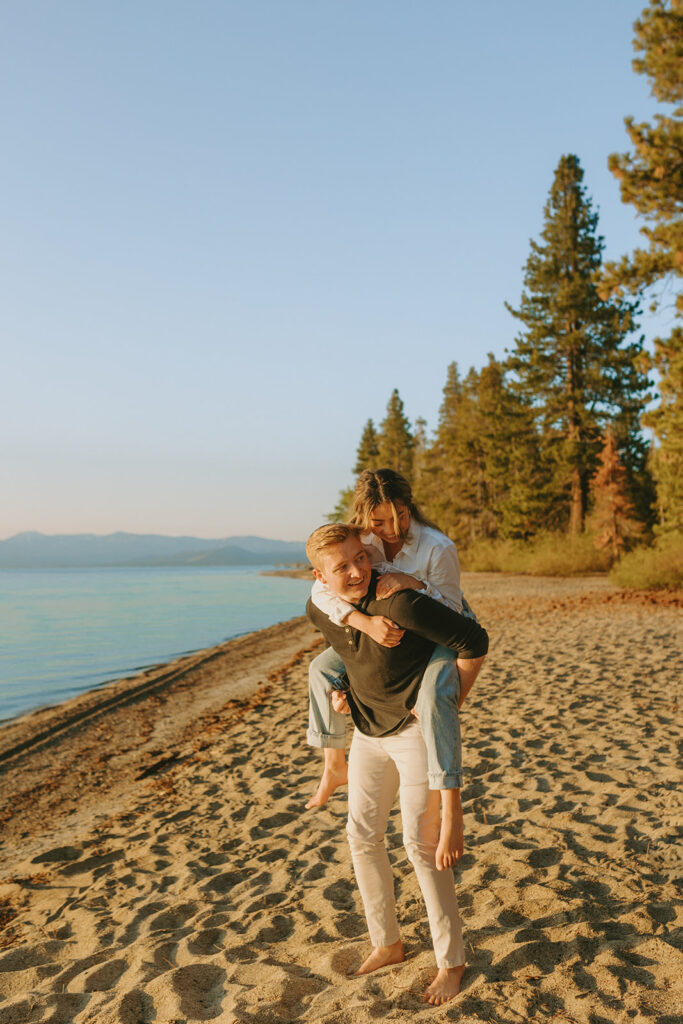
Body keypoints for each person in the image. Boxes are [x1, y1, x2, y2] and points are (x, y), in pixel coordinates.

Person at [305, 523, 488, 1005]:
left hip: (411, 736)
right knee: (361, 836)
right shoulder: (318, 609)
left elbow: (475, 639)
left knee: (420, 847)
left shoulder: (401, 604)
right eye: (341, 565)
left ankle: (452, 962)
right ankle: (387, 942)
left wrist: (450, 702)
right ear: (320, 576)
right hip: (367, 734)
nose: (356, 570)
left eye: (359, 558)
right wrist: (346, 695)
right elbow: (350, 659)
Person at [306, 469, 478, 870]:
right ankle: (333, 765)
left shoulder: (437, 547)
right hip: (384, 631)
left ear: (408, 507)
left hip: (437, 632)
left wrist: (412, 583)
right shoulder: (362, 540)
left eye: (394, 518)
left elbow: (453, 612)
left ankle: (453, 810)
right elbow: (321, 590)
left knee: (436, 700)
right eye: (376, 522)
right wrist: (360, 624)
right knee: (321, 669)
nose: (386, 530)